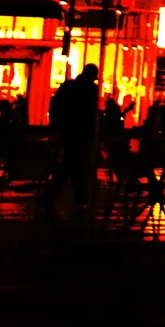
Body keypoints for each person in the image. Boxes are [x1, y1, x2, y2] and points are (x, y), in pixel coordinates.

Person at [42, 63, 103, 215]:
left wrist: (56, 128)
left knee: (72, 166)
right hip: (81, 134)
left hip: (68, 132)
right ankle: (78, 199)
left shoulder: (68, 87)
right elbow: (89, 115)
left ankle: (68, 198)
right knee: (75, 167)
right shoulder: (89, 90)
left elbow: (55, 107)